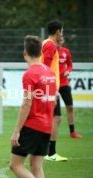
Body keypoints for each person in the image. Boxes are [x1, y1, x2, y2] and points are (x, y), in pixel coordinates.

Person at [9, 35, 56, 178]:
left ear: (25, 52)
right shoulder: (49, 72)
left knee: (15, 165)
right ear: (41, 53)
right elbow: (53, 100)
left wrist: (16, 131)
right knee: (36, 167)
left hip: (33, 126)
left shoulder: (30, 74)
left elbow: (26, 104)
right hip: (47, 126)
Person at [40, 20, 68, 162]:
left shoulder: (46, 43)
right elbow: (46, 67)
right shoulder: (50, 45)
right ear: (57, 31)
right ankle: (49, 153)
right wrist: (51, 88)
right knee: (54, 118)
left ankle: (47, 152)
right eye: (62, 31)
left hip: (49, 87)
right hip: (49, 88)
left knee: (54, 118)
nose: (62, 34)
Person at [56, 36, 82, 138]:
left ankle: (72, 132)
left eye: (60, 41)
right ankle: (52, 132)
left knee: (70, 107)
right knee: (55, 113)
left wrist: (68, 71)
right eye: (57, 41)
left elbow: (70, 65)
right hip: (54, 85)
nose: (59, 43)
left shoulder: (66, 51)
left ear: (63, 41)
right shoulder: (51, 52)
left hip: (64, 83)